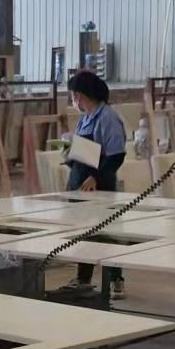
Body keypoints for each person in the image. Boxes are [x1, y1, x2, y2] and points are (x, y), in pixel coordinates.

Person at [61, 68, 128, 301]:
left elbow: (116, 155)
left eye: (73, 95)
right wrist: (69, 151)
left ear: (80, 95)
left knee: (106, 232)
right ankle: (83, 278)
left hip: (100, 185)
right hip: (80, 184)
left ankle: (116, 280)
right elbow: (86, 150)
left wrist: (96, 177)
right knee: (84, 232)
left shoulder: (108, 118)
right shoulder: (85, 119)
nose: (73, 100)